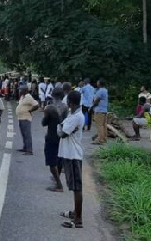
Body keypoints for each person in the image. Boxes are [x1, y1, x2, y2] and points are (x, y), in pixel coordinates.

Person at [57, 90, 85, 229]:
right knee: (74, 186)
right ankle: (75, 212)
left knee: (76, 187)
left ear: (70, 103)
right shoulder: (73, 114)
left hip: (73, 155)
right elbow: (63, 127)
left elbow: (62, 133)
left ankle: (78, 219)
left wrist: (61, 126)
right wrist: (62, 126)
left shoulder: (76, 117)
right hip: (69, 154)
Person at [42, 88, 69, 192]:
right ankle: (56, 178)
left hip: (51, 136)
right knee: (59, 158)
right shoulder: (65, 107)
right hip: (61, 136)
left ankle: (59, 185)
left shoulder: (49, 108)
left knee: (51, 162)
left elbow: (44, 123)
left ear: (53, 96)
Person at [16, 84, 40, 155]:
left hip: (26, 118)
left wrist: (30, 110)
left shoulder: (29, 97)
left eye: (21, 89)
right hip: (21, 117)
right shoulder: (22, 97)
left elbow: (36, 105)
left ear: (25, 90)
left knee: (27, 134)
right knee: (23, 134)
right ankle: (25, 147)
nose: (20, 90)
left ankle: (29, 150)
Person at [92, 79, 109, 145]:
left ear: (99, 83)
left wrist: (92, 106)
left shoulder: (100, 91)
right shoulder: (105, 90)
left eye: (97, 82)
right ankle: (104, 139)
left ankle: (100, 139)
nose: (97, 83)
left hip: (99, 110)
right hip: (104, 109)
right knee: (103, 125)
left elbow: (97, 100)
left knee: (99, 125)